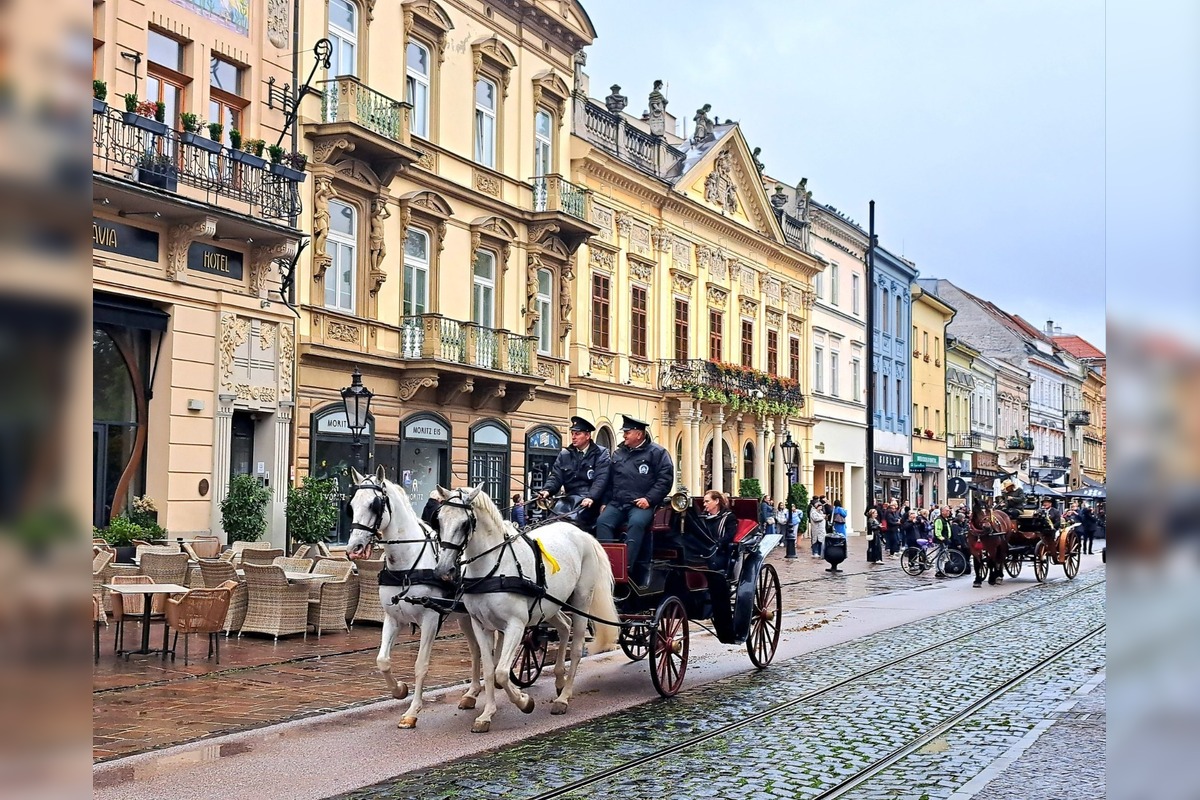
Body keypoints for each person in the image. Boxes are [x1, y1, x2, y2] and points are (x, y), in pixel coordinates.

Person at [595, 415, 675, 589]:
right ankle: (605, 564)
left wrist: (649, 499)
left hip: (642, 503)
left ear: (639, 434)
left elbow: (665, 480)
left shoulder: (657, 453)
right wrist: (604, 502)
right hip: (618, 502)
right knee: (602, 522)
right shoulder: (618, 452)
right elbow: (609, 480)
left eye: (627, 432)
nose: (624, 435)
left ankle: (626, 567)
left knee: (637, 523)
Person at [537, 416, 611, 530]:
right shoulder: (565, 454)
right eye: (572, 433)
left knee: (570, 523)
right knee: (550, 522)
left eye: (577, 434)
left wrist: (591, 497)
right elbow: (555, 477)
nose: (573, 437)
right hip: (569, 499)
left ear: (587, 435)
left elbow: (601, 479)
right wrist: (547, 490)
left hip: (590, 501)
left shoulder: (601, 453)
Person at [931, 506, 954, 578]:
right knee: (939, 556)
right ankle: (938, 570)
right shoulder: (939, 519)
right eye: (947, 511)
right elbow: (937, 530)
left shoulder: (945, 519)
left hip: (945, 540)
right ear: (942, 511)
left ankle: (942, 569)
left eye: (949, 511)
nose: (948, 512)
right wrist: (941, 538)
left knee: (943, 556)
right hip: (940, 541)